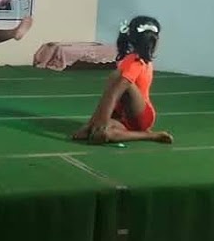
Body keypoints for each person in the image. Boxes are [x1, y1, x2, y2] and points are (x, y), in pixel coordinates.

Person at [71, 15, 173, 145]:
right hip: (123, 116)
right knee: (97, 133)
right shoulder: (131, 59)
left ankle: (150, 135)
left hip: (139, 115)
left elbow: (114, 93)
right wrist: (92, 124)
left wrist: (101, 123)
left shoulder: (136, 61)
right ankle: (144, 134)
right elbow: (109, 94)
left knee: (117, 78)